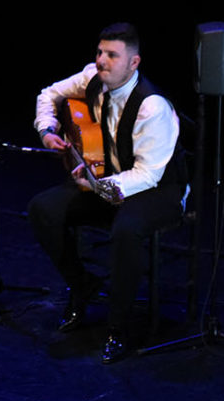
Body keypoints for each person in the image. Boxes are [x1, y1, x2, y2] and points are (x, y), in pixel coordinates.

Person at [28, 23, 188, 364]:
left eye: (112, 55)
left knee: (126, 230)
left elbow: (148, 174)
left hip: (159, 189)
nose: (102, 60)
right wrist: (47, 129)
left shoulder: (152, 107)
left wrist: (100, 187)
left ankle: (119, 326)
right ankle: (81, 284)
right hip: (108, 179)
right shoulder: (92, 78)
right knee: (43, 209)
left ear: (134, 63)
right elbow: (49, 94)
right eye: (100, 52)